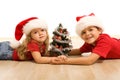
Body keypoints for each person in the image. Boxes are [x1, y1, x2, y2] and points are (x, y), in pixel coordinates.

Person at [51, 13, 120, 65]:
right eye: (83, 32)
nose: (87, 34)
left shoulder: (104, 41)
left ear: (99, 30)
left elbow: (89, 60)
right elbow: (79, 51)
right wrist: (58, 52)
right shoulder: (90, 42)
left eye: (90, 30)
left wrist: (64, 61)